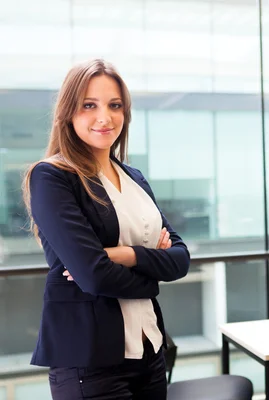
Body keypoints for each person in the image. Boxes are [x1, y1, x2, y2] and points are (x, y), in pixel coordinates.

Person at [22, 59, 190, 400]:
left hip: (150, 349)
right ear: (68, 113)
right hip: (90, 361)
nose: (105, 117)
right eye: (89, 105)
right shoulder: (53, 176)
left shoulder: (134, 177)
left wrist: (123, 255)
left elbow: (181, 258)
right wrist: (152, 272)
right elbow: (94, 276)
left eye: (115, 106)